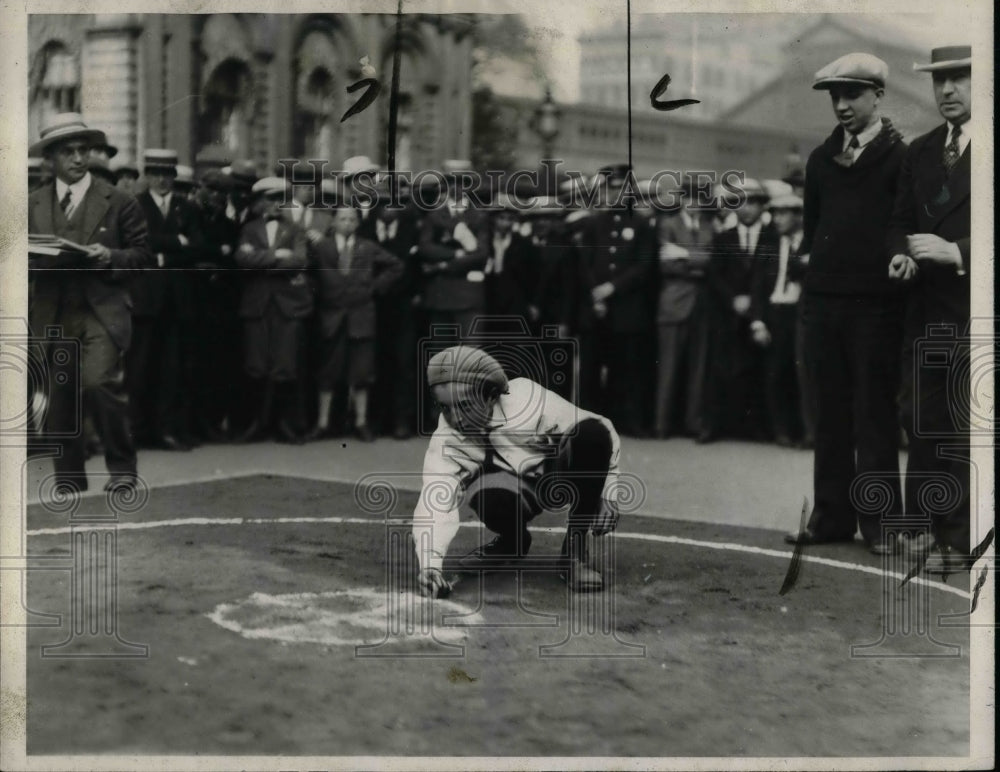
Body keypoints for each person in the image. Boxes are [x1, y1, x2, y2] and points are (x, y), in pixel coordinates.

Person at [786, 53, 908, 554]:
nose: (842, 106)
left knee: (874, 414)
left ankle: (881, 525)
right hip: (824, 305)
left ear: (878, 96)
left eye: (853, 95)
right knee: (830, 413)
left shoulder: (903, 157)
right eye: (836, 97)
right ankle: (831, 519)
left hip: (876, 308)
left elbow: (903, 225)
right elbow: (812, 233)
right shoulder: (819, 160)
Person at [412, 345, 624, 597]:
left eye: (465, 405)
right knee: (486, 491)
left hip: (554, 478)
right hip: (508, 487)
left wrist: (608, 490)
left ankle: (574, 554)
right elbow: (436, 495)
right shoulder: (447, 436)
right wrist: (430, 566)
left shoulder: (528, 399)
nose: (455, 418)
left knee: (590, 435)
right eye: (445, 408)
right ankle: (511, 541)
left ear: (491, 396)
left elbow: (601, 427)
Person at [28, 112, 153, 494]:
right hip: (54, 310)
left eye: (83, 150)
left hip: (102, 310)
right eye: (68, 152)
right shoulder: (31, 203)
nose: (79, 158)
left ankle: (123, 472)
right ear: (51, 158)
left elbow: (143, 255)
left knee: (100, 385)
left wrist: (109, 256)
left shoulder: (118, 201)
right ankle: (70, 480)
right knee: (61, 399)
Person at [887, 46, 973, 573]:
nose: (947, 90)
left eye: (959, 79)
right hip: (925, 311)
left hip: (974, 309)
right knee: (921, 420)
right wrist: (899, 253)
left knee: (964, 425)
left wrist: (957, 251)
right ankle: (926, 528)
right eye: (939, 81)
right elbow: (896, 219)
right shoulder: (918, 151)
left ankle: (959, 539)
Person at [575, 163, 657, 437]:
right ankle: (589, 423)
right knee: (591, 368)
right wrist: (595, 294)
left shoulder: (642, 224)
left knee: (627, 368)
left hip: (627, 309)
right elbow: (584, 263)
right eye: (610, 188)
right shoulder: (593, 224)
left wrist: (612, 288)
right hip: (596, 308)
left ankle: (629, 421)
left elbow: (644, 267)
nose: (614, 194)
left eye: (620, 188)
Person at [129, 149, 203, 450]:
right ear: (147, 176)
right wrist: (176, 242)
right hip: (145, 300)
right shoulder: (135, 205)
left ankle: (166, 429)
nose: (161, 180)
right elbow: (137, 243)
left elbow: (198, 246)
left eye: (167, 174)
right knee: (140, 367)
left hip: (176, 300)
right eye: (155, 174)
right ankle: (137, 430)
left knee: (171, 369)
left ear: (174, 176)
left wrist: (161, 250)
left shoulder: (186, 207)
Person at [309, 205, 403, 442]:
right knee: (328, 372)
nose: (347, 223)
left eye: (352, 219)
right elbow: (308, 271)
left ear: (358, 223)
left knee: (361, 372)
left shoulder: (367, 247)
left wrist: (374, 287)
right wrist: (319, 292)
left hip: (361, 317)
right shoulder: (322, 247)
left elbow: (395, 265)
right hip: (332, 316)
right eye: (342, 219)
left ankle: (361, 422)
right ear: (333, 222)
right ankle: (323, 423)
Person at [233, 176, 314, 443]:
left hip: (286, 306)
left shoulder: (295, 229)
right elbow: (241, 260)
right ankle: (256, 424)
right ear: (259, 202)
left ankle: (286, 425)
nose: (276, 205)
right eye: (270, 199)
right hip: (257, 305)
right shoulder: (249, 229)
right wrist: (277, 257)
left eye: (281, 199)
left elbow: (300, 261)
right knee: (255, 365)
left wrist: (262, 261)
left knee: (285, 366)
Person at [703, 177, 776, 442]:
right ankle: (714, 426)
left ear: (762, 208)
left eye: (753, 203)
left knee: (757, 371)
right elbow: (714, 275)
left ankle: (755, 428)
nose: (746, 209)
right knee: (721, 370)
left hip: (760, 313)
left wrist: (754, 304)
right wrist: (733, 298)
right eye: (740, 203)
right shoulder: (724, 238)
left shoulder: (773, 238)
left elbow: (771, 276)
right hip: (728, 312)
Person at [653, 176, 714, 439]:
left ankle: (693, 423)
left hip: (701, 304)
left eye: (699, 198)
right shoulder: (667, 224)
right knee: (668, 367)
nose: (694, 203)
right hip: (674, 303)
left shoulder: (710, 227)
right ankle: (661, 424)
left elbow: (712, 262)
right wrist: (697, 262)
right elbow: (666, 264)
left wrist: (685, 255)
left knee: (698, 369)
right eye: (689, 197)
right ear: (681, 199)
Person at [749, 193, 806, 446]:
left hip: (800, 313)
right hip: (775, 313)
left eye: (784, 214)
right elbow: (757, 286)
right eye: (775, 214)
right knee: (775, 373)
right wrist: (758, 321)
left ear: (798, 216)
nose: (777, 219)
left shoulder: (810, 243)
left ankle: (802, 430)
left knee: (800, 373)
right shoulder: (769, 244)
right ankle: (780, 430)